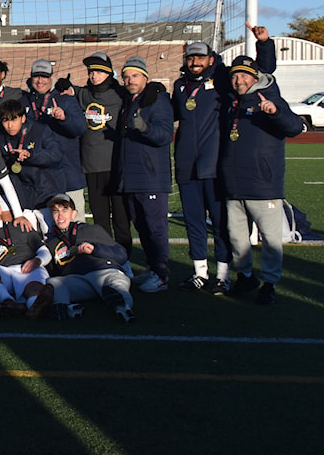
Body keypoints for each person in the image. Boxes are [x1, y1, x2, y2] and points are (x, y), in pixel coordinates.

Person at [171, 26, 276, 293]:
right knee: (193, 222)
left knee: (220, 225)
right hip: (186, 166)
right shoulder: (180, 85)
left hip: (213, 165)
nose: (195, 62)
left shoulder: (221, 80)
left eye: (200, 58)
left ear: (211, 59)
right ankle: (199, 273)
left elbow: (261, 73)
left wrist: (264, 44)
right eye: (191, 58)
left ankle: (223, 275)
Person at [220, 54, 303, 305]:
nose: (238, 80)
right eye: (235, 75)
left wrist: (275, 111)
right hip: (234, 185)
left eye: (244, 75)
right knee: (236, 237)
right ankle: (245, 275)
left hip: (263, 184)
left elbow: (295, 127)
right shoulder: (231, 103)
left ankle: (269, 283)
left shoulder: (270, 98)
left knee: (270, 239)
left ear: (255, 78)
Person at [116, 56, 173, 293]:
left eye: (135, 75)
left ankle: (161, 273)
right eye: (126, 76)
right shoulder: (129, 101)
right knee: (141, 225)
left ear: (146, 78)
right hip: (131, 178)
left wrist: (144, 128)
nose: (130, 80)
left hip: (151, 177)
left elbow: (164, 135)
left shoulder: (157, 101)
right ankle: (152, 267)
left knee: (155, 227)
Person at [73, 52, 132, 254]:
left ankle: (125, 257)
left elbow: (140, 94)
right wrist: (63, 87)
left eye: (98, 71)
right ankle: (107, 257)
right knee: (100, 219)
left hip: (116, 164)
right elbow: (67, 91)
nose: (93, 76)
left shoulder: (121, 94)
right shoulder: (84, 94)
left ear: (108, 73)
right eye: (90, 72)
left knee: (121, 217)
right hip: (91, 165)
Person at [43, 193, 134, 322]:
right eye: (55, 211)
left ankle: (123, 307)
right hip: (78, 279)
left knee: (116, 282)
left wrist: (96, 249)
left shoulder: (92, 230)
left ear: (74, 214)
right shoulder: (51, 242)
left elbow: (121, 255)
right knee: (54, 283)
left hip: (104, 272)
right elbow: (51, 271)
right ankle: (66, 309)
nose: (60, 216)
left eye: (64, 210)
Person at [22, 59, 87, 222]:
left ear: (52, 78)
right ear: (31, 78)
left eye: (44, 76)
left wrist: (64, 118)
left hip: (68, 174)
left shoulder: (65, 100)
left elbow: (80, 128)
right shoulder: (23, 101)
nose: (40, 80)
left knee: (75, 222)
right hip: (40, 178)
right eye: (36, 76)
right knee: (46, 224)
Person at [0, 194, 54, 319]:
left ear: (0, 210)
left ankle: (35, 306)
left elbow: (44, 251)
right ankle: (8, 301)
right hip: (2, 273)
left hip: (28, 266)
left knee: (33, 288)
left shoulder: (20, 226)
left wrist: (38, 260)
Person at [0, 99, 63, 214]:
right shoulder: (0, 136)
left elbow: (56, 155)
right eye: (5, 121)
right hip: (21, 194)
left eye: (14, 120)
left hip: (47, 190)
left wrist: (31, 155)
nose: (10, 125)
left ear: (23, 118)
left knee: (48, 229)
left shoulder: (40, 130)